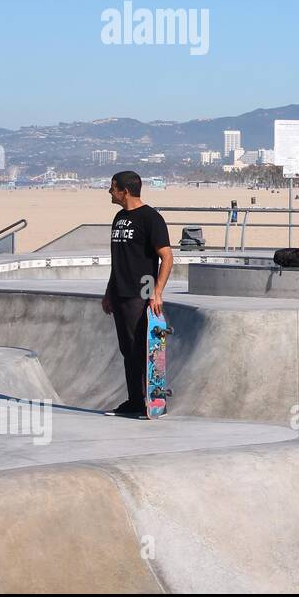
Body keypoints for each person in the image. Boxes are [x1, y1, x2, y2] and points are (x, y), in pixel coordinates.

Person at [101, 171, 173, 417]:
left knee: (142, 349)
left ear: (125, 190)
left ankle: (154, 401)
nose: (110, 192)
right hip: (120, 291)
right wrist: (109, 292)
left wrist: (157, 292)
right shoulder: (119, 217)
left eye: (113, 188)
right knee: (127, 350)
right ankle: (134, 401)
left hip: (141, 291)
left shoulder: (151, 218)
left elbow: (167, 256)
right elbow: (117, 260)